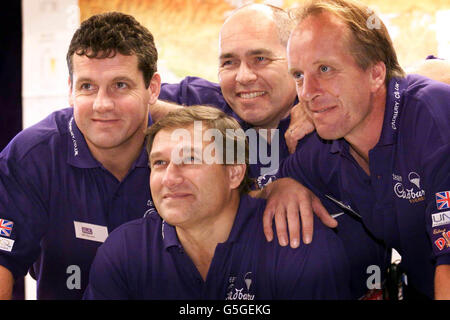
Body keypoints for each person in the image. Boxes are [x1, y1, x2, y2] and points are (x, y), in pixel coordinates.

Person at [151, 3, 389, 299]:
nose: (243, 76)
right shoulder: (214, 116)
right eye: (229, 62)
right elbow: (135, 97)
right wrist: (268, 191)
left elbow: (423, 78)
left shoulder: (339, 116)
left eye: (260, 58)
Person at [260, 0, 450, 299]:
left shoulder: (434, 118)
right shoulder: (324, 145)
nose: (307, 93)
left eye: (325, 69)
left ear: (376, 74)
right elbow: (249, 200)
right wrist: (280, 186)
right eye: (298, 75)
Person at [83, 106, 352, 300]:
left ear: (234, 172)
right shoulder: (125, 252)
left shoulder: (296, 243)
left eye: (190, 160)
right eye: (160, 163)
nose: (170, 178)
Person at [0, 12, 161, 299]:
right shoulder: (33, 157)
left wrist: (270, 185)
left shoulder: (187, 150)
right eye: (87, 86)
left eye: (120, 85)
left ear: (153, 88)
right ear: (71, 91)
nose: (102, 105)